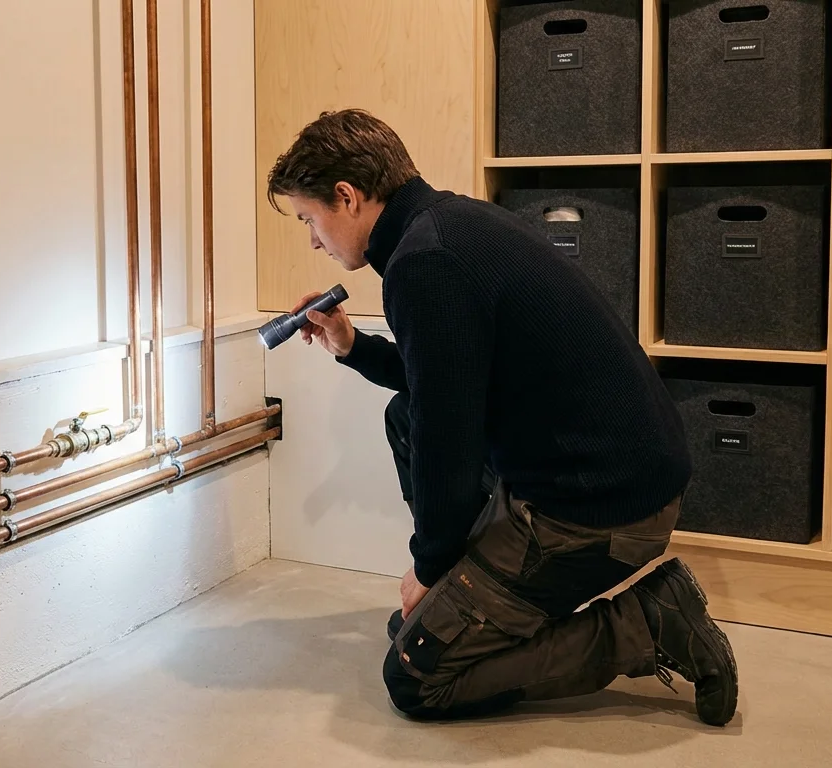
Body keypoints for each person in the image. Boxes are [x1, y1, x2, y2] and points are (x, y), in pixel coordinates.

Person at [265, 109, 739, 726]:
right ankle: (472, 595)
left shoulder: (423, 264)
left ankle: (649, 624)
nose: (312, 239)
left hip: (598, 509)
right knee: (405, 415)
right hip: (609, 474)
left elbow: (449, 439)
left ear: (347, 197)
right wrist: (352, 345)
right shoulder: (448, 225)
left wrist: (430, 566)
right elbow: (443, 386)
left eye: (309, 219)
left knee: (419, 677)